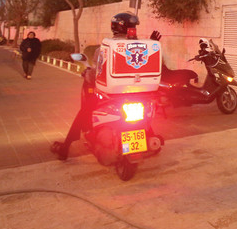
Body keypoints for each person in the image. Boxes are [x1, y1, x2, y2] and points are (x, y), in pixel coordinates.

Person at [50, 12, 160, 161]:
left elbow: (97, 73)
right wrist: (152, 42)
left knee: (84, 112)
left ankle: (65, 148)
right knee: (145, 118)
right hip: (140, 95)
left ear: (114, 27)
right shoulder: (146, 46)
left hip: (112, 97)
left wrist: (87, 74)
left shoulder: (105, 47)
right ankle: (150, 139)